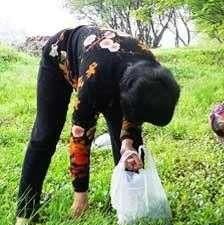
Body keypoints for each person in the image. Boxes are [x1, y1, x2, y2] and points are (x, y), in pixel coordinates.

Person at [15, 25, 180, 225]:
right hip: (61, 56)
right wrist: (80, 196)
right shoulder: (95, 80)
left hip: (116, 73)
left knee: (129, 148)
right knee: (45, 134)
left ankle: (127, 205)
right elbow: (80, 137)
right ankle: (25, 212)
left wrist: (128, 144)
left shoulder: (153, 72)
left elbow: (136, 113)